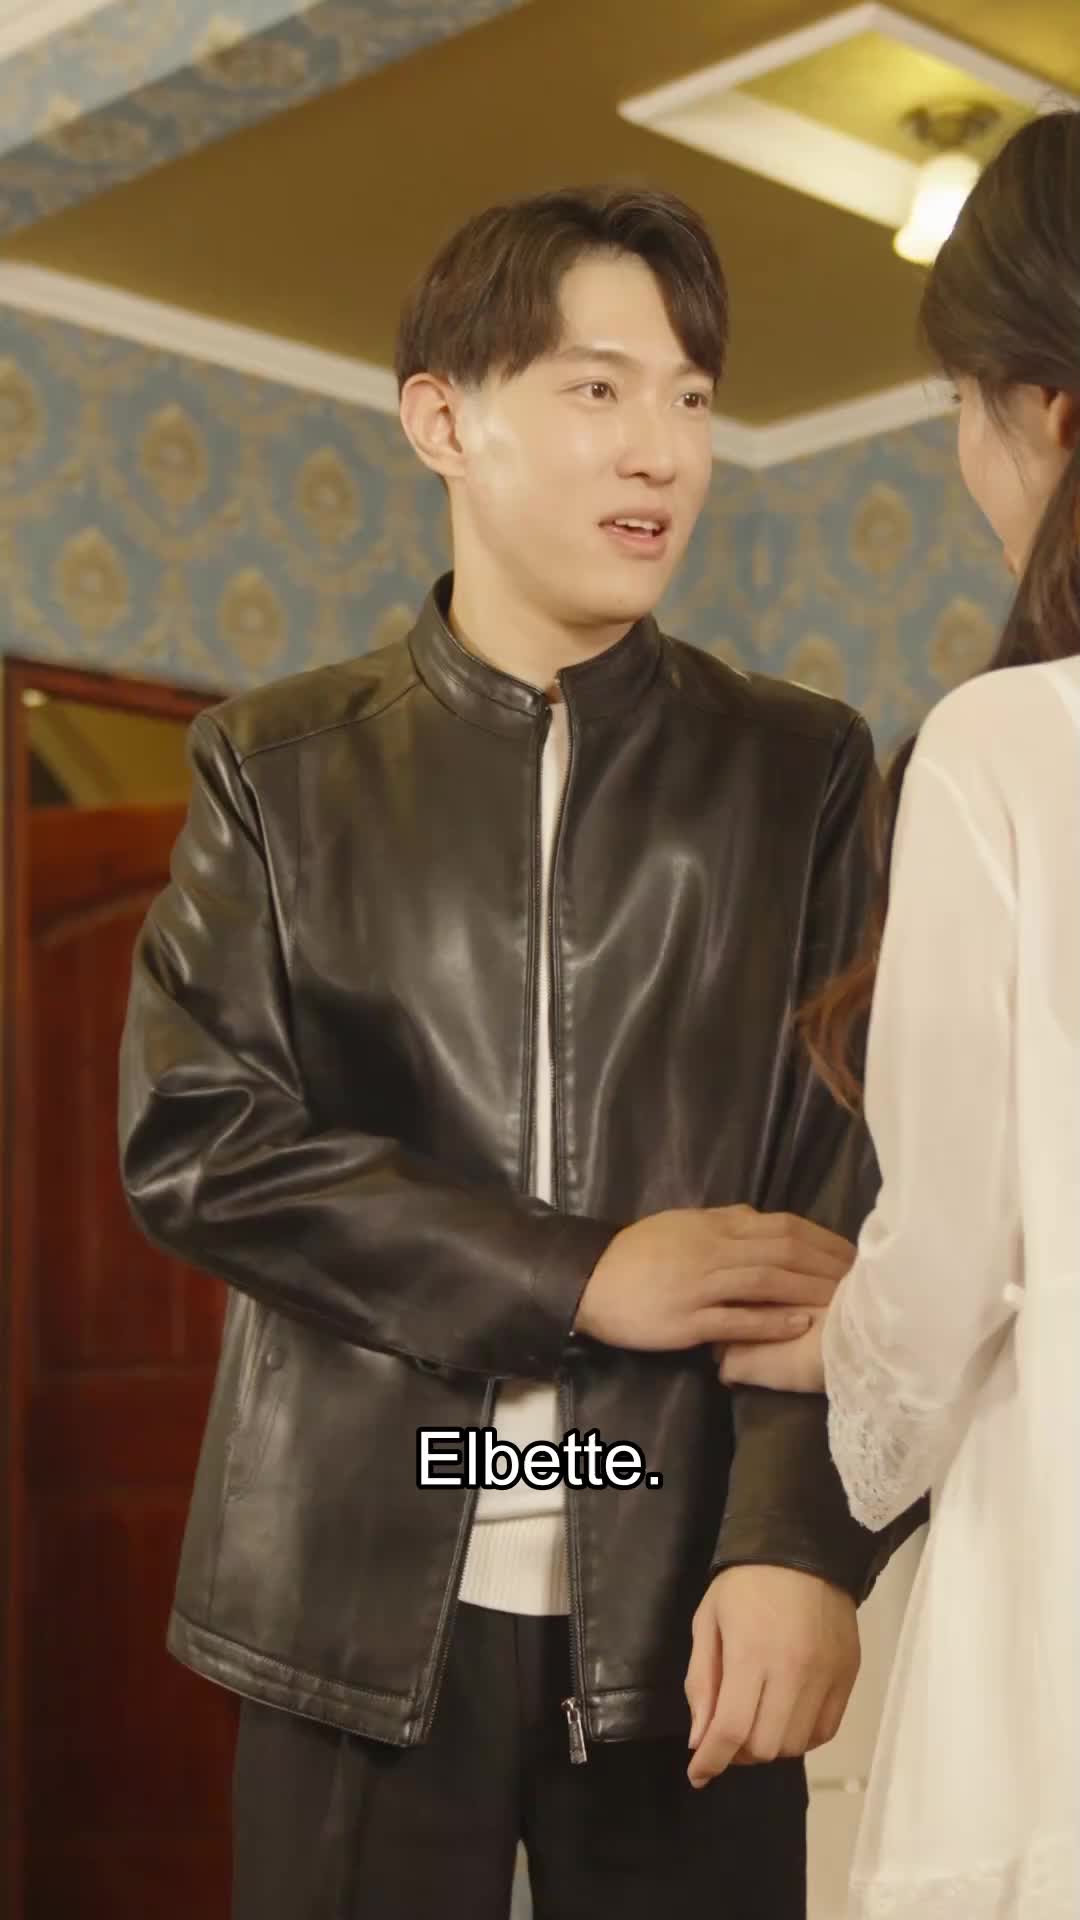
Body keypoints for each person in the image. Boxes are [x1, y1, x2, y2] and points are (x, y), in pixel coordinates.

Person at [117, 185, 919, 1920]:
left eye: (692, 397)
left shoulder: (797, 771)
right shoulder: (280, 766)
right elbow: (200, 1140)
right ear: (442, 420)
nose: (662, 452)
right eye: (597, 387)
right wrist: (583, 1272)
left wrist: (798, 1546)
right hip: (346, 1595)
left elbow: (843, 1194)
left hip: (690, 1595)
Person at [695, 111, 1080, 1918]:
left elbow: (952, 1254)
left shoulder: (1007, 745)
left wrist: (840, 1349)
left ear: (1048, 410)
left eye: (959, 405)